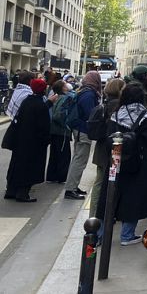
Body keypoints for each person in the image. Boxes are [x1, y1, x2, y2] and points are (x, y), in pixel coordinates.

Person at [107, 84, 147, 245]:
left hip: (116, 160)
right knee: (133, 197)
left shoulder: (115, 114)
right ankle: (127, 235)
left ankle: (101, 234)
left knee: (110, 195)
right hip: (139, 162)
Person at [4, 79, 50, 201]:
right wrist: (46, 140)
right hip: (33, 143)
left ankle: (11, 190)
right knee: (29, 168)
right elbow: (43, 127)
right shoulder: (40, 105)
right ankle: (23, 193)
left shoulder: (26, 101)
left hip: (20, 140)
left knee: (16, 165)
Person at [89, 78, 124, 215]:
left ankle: (94, 213)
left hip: (101, 148)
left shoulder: (104, 104)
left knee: (98, 183)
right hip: (114, 150)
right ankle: (107, 214)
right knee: (112, 182)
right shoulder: (119, 106)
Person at [64, 71, 102, 200]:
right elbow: (90, 114)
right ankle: (71, 189)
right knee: (80, 160)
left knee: (78, 158)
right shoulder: (89, 94)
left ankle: (73, 186)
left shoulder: (83, 91)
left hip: (79, 129)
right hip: (83, 130)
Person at [45, 80, 72, 183]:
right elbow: (58, 115)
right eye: (65, 85)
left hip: (53, 130)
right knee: (64, 155)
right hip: (62, 131)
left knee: (54, 154)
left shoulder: (55, 97)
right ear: (63, 88)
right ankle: (61, 177)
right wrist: (66, 125)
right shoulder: (66, 98)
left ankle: (51, 176)